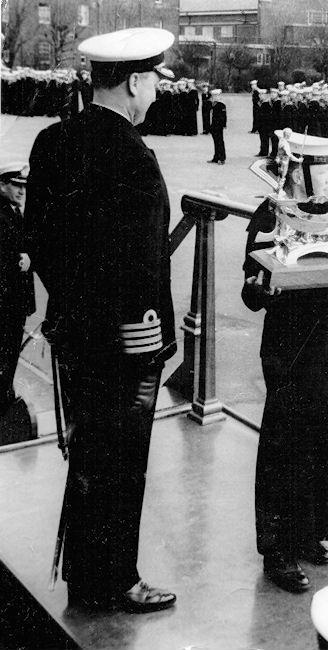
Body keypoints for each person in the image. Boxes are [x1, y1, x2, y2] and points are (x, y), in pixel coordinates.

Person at [24, 27, 178, 613]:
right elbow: (142, 262)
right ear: (135, 81)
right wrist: (148, 334)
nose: (157, 94)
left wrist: (73, 307)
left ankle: (87, 580)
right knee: (122, 460)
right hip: (127, 339)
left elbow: (40, 238)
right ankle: (117, 579)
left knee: (89, 455)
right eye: (153, 82)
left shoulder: (53, 142)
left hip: (76, 333)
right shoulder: (133, 157)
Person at [242, 134, 328, 593]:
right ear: (300, 172)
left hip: (325, 336)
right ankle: (277, 548)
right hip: (287, 341)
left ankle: (308, 531)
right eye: (319, 171)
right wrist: (265, 289)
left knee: (326, 428)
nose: (326, 179)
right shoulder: (270, 214)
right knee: (287, 438)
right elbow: (249, 289)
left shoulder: (326, 212)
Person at [0, 162, 35, 416]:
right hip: (5, 301)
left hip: (13, 301)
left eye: (24, 186)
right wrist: (19, 261)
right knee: (5, 352)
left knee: (9, 352)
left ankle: (4, 395)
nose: (22, 191)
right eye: (16, 185)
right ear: (2, 185)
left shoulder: (13, 212)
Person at [207, 88, 226, 164]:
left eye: (216, 96)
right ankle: (216, 157)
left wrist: (223, 125)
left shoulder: (221, 105)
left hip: (219, 126)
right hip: (214, 126)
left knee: (220, 142)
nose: (215, 97)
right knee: (216, 142)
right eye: (214, 96)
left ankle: (222, 158)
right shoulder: (213, 104)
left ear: (219, 96)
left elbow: (224, 117)